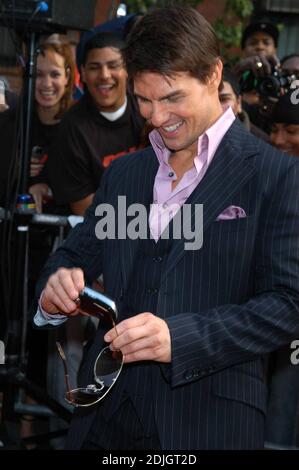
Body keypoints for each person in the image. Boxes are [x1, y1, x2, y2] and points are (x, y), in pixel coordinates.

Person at [34, 6, 299, 450]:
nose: (156, 117)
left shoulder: (275, 176)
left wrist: (181, 338)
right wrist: (55, 288)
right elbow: (72, 258)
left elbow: (288, 304)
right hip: (102, 419)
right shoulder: (125, 175)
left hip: (209, 423)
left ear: (214, 74)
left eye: (172, 98)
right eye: (143, 100)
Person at [46, 31, 144, 216]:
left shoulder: (147, 109)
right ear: (82, 73)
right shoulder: (72, 128)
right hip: (101, 235)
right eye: (94, 67)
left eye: (113, 65)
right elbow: (84, 208)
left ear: (128, 70)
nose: (104, 75)